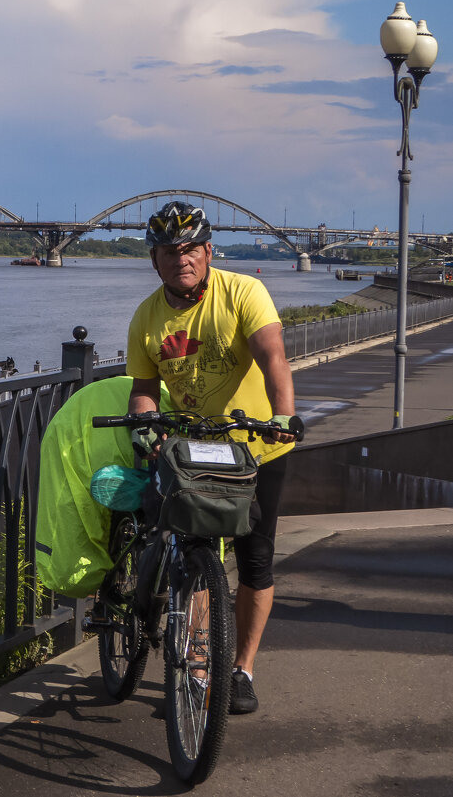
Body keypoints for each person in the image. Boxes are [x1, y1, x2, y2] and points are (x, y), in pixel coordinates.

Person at [124, 201, 301, 715]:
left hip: (256, 445)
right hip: (193, 446)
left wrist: (285, 418)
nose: (181, 259)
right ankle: (199, 664)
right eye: (168, 252)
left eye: (190, 249)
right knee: (191, 549)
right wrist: (144, 424)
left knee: (256, 556)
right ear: (155, 260)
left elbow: (273, 358)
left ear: (206, 251)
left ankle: (242, 669)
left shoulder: (244, 291)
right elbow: (144, 388)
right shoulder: (146, 318)